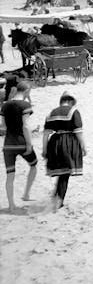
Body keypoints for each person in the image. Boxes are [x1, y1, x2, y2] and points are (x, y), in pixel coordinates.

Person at [41, 92, 86, 211]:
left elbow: (46, 134)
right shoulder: (74, 111)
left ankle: (55, 197)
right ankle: (59, 201)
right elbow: (78, 132)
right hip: (68, 142)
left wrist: (44, 150)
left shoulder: (52, 112)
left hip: (54, 142)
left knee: (61, 172)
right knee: (65, 173)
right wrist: (83, 146)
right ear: (71, 101)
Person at [2, 80, 37, 212]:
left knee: (10, 175)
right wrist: (29, 144)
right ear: (27, 91)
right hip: (21, 142)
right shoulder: (25, 105)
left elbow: (3, 126)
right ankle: (26, 194)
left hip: (8, 144)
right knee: (33, 165)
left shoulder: (5, 105)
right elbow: (26, 126)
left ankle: (11, 205)